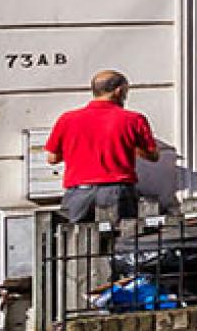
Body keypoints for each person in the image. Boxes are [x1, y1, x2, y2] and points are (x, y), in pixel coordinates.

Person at [43, 71, 165, 233]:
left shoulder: (68, 119)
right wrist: (128, 145)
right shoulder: (133, 119)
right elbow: (153, 155)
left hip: (78, 191)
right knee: (120, 239)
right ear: (119, 91)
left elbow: (52, 158)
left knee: (74, 240)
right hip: (117, 190)